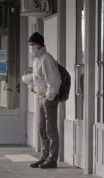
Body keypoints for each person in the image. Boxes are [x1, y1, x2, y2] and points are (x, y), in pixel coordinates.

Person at [27, 32, 62, 169]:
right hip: (41, 97)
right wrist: (33, 87)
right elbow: (40, 80)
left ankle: (52, 159)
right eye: (30, 45)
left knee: (50, 129)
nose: (31, 47)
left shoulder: (46, 59)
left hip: (49, 99)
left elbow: (54, 81)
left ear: (40, 45)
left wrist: (48, 96)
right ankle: (44, 157)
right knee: (42, 128)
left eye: (33, 44)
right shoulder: (37, 60)